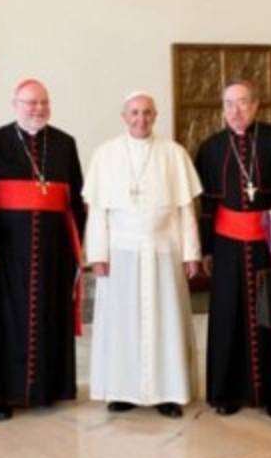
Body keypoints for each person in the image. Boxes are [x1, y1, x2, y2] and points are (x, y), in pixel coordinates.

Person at [194, 79, 271, 419]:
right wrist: (206, 250)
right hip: (228, 245)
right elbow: (206, 207)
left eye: (243, 102)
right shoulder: (212, 147)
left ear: (256, 105)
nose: (236, 110)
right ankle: (226, 392)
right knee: (228, 315)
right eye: (229, 104)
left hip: (268, 243)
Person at [83, 91, 203, 417]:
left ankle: (168, 392)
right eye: (134, 113)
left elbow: (184, 210)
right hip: (120, 251)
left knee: (167, 322)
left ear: (155, 116)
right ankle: (123, 391)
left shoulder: (173, 153)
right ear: (124, 117)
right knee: (121, 323)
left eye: (147, 113)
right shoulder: (106, 154)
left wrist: (191, 253)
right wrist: (97, 254)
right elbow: (97, 212)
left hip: (165, 249)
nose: (141, 119)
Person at [0, 79, 86, 420]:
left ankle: (48, 388)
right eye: (30, 103)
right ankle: (3, 394)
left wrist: (79, 245)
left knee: (50, 313)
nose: (37, 109)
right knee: (5, 319)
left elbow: (76, 199)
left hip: (54, 248)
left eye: (43, 102)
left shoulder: (65, 143)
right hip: (7, 249)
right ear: (15, 104)